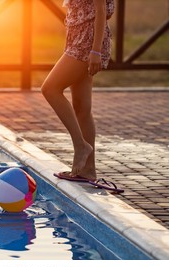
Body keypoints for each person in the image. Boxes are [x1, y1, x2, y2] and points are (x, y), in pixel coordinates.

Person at [41, 0, 115, 182]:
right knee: (82, 108)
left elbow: (101, 8)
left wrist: (96, 51)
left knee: (50, 89)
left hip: (87, 41)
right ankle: (88, 170)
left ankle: (80, 145)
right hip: (78, 38)